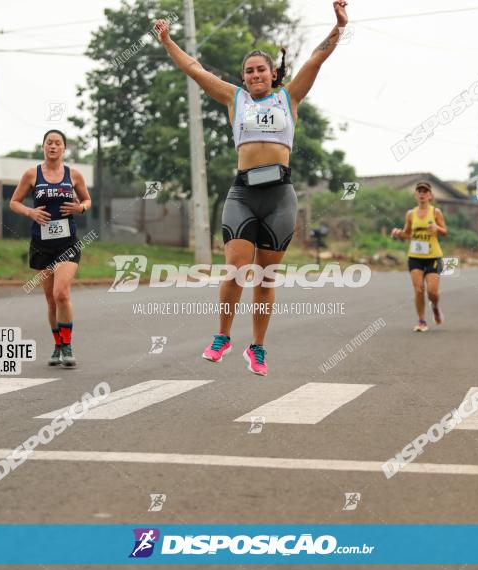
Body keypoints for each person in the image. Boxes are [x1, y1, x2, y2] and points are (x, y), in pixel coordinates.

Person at [155, 1, 349, 376]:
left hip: (279, 197)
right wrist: (168, 42)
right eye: (248, 71)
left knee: (265, 277)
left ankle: (257, 348)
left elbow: (315, 60)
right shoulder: (235, 98)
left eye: (260, 69)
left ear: (272, 72)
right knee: (236, 269)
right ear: (243, 78)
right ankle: (222, 336)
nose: (254, 74)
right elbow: (195, 69)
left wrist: (338, 27)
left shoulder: (288, 97)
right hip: (243, 194)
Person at [9, 129, 92, 368]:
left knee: (61, 293)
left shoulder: (73, 175)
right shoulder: (31, 174)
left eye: (57, 143)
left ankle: (67, 346)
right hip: (41, 244)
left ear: (64, 149)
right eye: (49, 143)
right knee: (50, 300)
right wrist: (30, 212)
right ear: (43, 147)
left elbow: (87, 200)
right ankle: (57, 347)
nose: (53, 146)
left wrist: (80, 209)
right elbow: (13, 202)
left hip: (67, 243)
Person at [391, 181, 448, 332]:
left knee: (433, 292)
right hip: (415, 256)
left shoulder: (436, 212)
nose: (422, 194)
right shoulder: (410, 214)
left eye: (425, 191)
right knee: (418, 290)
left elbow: (445, 232)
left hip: (433, 256)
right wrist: (398, 233)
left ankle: (435, 307)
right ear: (416, 194)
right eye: (419, 191)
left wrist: (437, 228)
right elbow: (407, 234)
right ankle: (422, 321)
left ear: (430, 195)